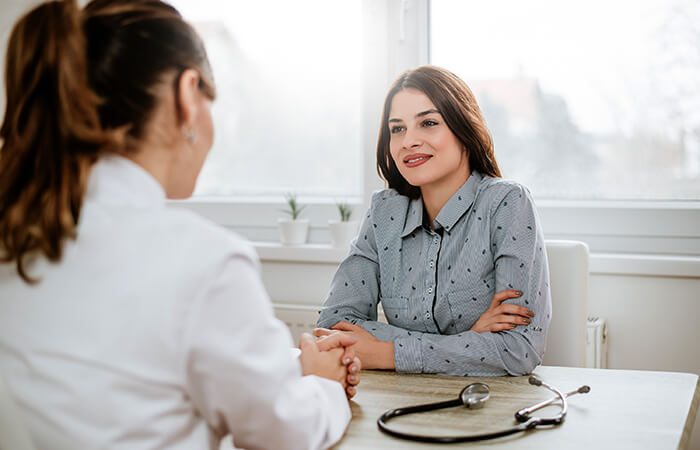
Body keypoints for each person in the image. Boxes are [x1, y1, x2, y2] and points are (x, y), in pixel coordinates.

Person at [0, 1, 359, 449]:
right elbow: (285, 434)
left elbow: (133, 367)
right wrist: (323, 384)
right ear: (188, 96)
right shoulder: (202, 261)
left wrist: (291, 364)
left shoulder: (20, 235)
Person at [316, 65, 551, 377]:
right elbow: (333, 326)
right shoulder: (384, 212)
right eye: (397, 128)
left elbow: (520, 349)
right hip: (404, 401)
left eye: (427, 123)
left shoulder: (508, 204)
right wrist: (467, 342)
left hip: (489, 408)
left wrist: (387, 353)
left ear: (464, 130)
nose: (409, 141)